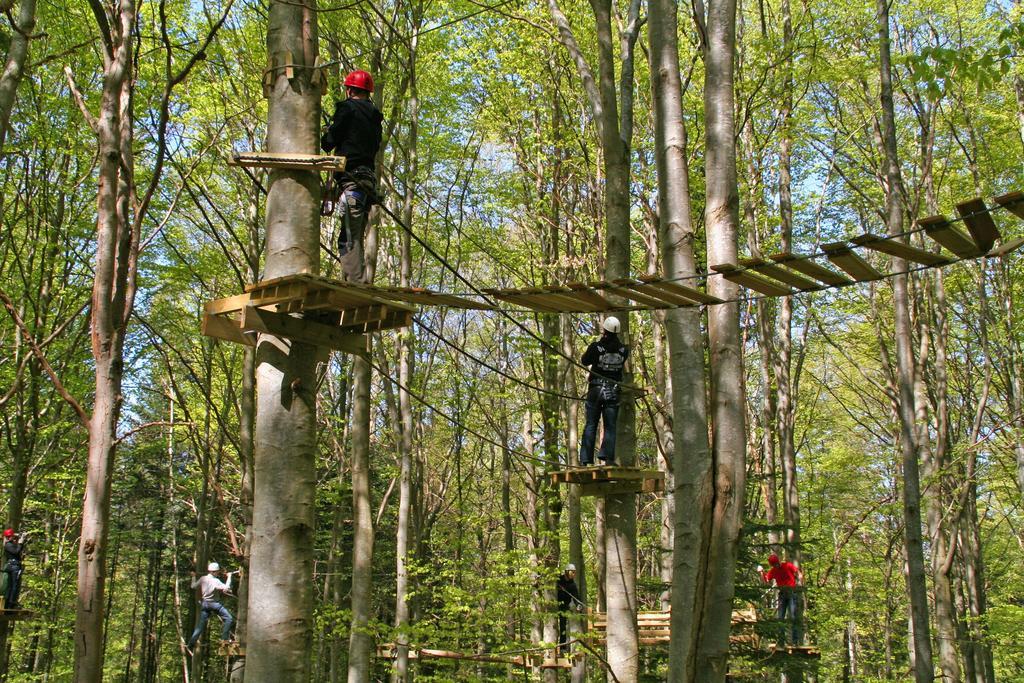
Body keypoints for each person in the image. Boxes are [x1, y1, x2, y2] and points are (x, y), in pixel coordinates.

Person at [320, 69, 384, 282]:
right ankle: (358, 280)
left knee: (348, 239)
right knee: (354, 236)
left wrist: (329, 131)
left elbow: (328, 142)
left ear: (349, 90)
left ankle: (357, 284)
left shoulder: (347, 109)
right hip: (366, 183)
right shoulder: (375, 117)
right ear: (369, 93)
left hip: (353, 182)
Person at [579, 317, 630, 465]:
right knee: (610, 426)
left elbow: (584, 360)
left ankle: (585, 460)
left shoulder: (597, 347)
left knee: (591, 424)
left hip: (596, 389)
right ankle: (608, 458)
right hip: (613, 391)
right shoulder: (623, 351)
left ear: (604, 330)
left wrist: (598, 343)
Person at [187, 562, 236, 650]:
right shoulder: (215, 581)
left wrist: (193, 576)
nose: (217, 573)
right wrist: (229, 577)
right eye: (217, 572)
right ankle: (224, 639)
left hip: (205, 604)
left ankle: (191, 643)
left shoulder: (203, 578)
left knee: (200, 626)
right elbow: (226, 588)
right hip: (215, 604)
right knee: (229, 618)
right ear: (214, 572)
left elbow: (193, 586)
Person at [758, 553, 803, 645]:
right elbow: (766, 582)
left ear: (778, 561)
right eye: (774, 564)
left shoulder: (787, 565)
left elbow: (798, 573)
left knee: (793, 617)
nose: (776, 565)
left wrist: (800, 582)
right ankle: (781, 641)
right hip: (782, 594)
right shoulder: (773, 571)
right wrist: (761, 573)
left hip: (791, 592)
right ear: (772, 565)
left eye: (776, 563)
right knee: (780, 618)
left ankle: (795, 641)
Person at [556, 564, 582, 656]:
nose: (574, 574)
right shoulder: (558, 580)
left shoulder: (572, 584)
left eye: (575, 572)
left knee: (563, 627)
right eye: (572, 572)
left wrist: (578, 605)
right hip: (554, 605)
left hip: (564, 607)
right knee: (552, 626)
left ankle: (562, 648)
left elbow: (576, 596)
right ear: (567, 572)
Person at [3, 528, 27, 609]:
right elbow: (16, 551)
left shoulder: (11, 544)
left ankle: (10, 603)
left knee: (12, 585)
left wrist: (21, 540)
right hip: (13, 566)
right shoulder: (8, 545)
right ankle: (11, 604)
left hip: (13, 565)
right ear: (7, 537)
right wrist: (20, 543)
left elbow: (18, 550)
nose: (12, 537)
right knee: (14, 585)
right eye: (10, 536)